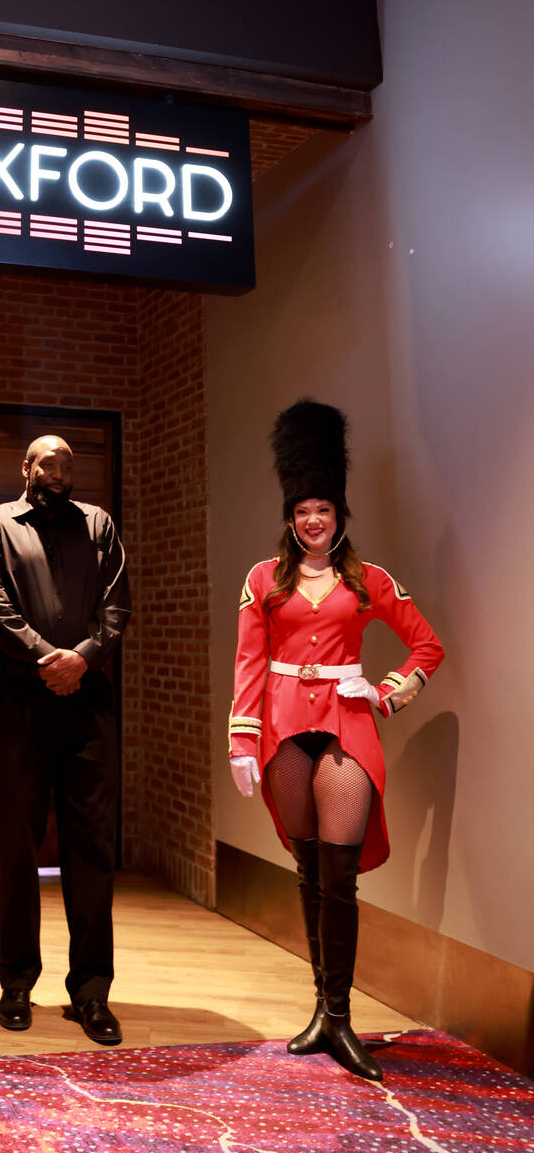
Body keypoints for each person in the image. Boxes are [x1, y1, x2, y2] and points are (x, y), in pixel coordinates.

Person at [228, 399, 444, 1081]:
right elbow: (249, 663)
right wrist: (242, 739)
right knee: (307, 868)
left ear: (338, 514)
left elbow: (427, 647)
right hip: (285, 729)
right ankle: (321, 1012)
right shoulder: (264, 578)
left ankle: (342, 1019)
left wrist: (383, 692)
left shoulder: (367, 579)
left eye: (321, 508)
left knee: (339, 877)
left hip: (348, 728)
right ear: (290, 519)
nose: (312, 520)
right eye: (301, 511)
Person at [0, 435, 131, 1045]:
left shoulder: (100, 527)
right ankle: (16, 984)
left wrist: (82, 659)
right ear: (26, 468)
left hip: (89, 706)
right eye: (45, 462)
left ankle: (90, 992)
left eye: (66, 464)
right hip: (18, 705)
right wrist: (46, 658)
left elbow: (117, 609)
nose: (56, 472)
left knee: (91, 850)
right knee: (16, 847)